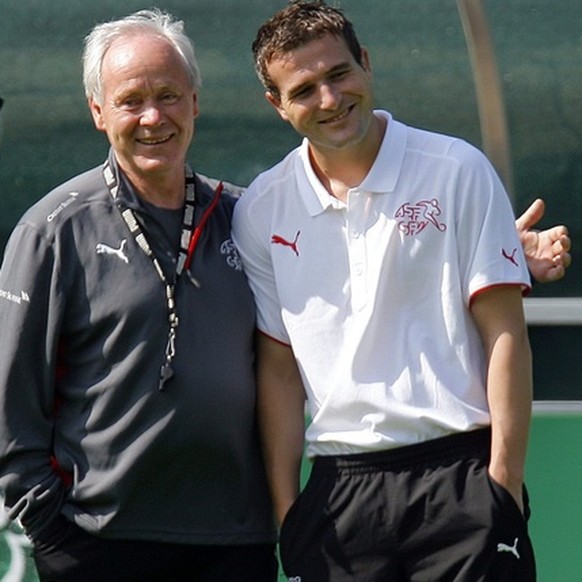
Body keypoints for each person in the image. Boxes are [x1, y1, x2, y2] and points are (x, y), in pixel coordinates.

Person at [232, 1, 570, 580]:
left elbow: (505, 332)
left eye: (339, 74)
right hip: (338, 496)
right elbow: (280, 369)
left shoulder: (456, 168)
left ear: (366, 63)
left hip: (462, 478)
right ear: (277, 105)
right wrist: (290, 510)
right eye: (305, 88)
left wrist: (503, 487)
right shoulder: (262, 208)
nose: (330, 100)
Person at [0, 10, 277, 582]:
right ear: (99, 112)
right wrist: (48, 526)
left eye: (169, 95)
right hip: (97, 542)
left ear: (195, 102)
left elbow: (356, 279)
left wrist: (490, 255)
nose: (154, 117)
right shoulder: (54, 228)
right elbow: (10, 398)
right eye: (131, 101)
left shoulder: (245, 217)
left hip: (236, 541)